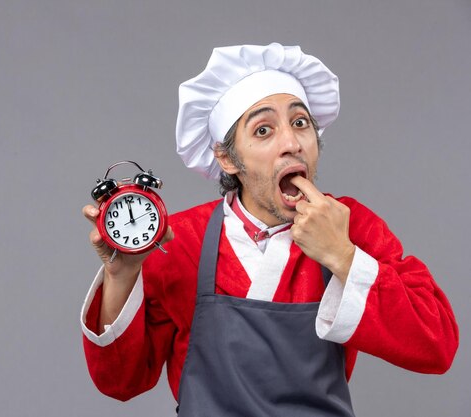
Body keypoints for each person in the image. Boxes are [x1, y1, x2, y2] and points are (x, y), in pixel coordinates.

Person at [80, 43, 459, 416]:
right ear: (227, 158)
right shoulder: (181, 239)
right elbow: (120, 383)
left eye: (300, 123)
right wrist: (122, 274)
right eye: (264, 130)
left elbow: (437, 344)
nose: (292, 143)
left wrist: (341, 255)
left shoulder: (350, 224)